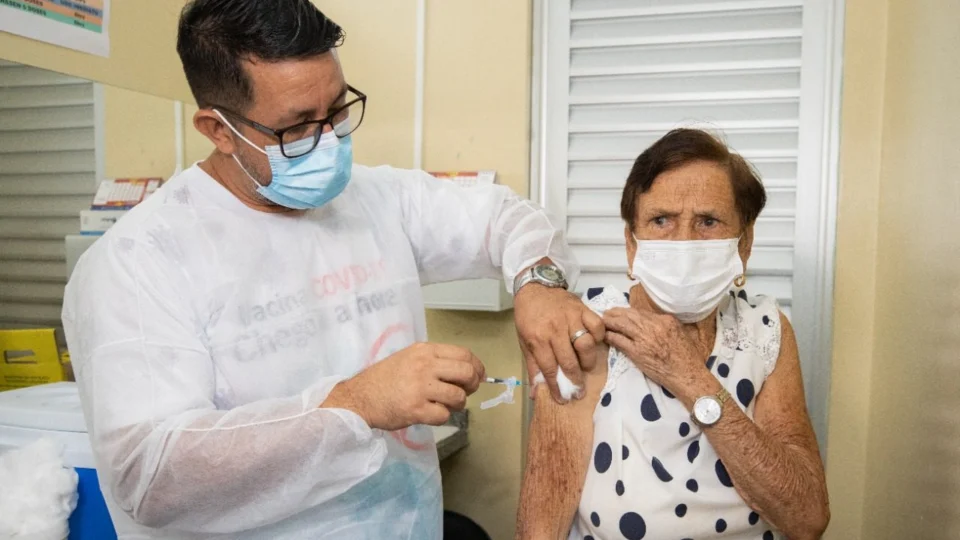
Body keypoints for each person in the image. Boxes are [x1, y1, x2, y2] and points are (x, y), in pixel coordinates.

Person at [60, 1, 604, 538]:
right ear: (218, 130)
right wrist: (356, 404)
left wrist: (541, 281)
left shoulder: (372, 199)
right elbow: (150, 476)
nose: (329, 140)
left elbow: (506, 218)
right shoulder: (137, 262)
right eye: (297, 127)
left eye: (338, 110)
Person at [516, 129, 830, 540]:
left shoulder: (765, 331)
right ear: (632, 244)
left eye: (708, 221)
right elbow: (540, 531)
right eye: (661, 220)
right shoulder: (587, 333)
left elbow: (807, 518)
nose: (683, 241)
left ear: (745, 243)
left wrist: (688, 376)